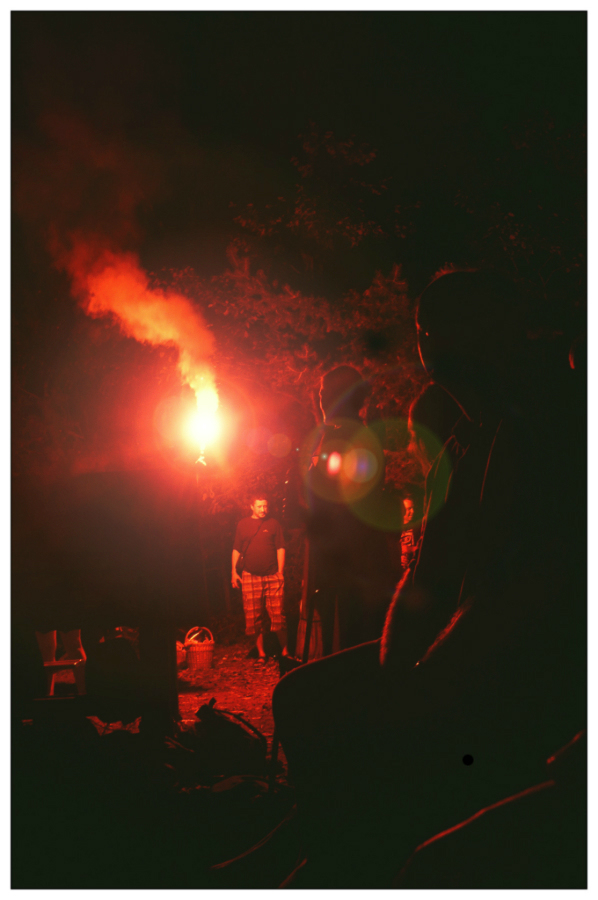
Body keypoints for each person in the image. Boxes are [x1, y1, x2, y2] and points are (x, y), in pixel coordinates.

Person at [272, 268, 585, 888]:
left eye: (446, 332)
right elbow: (429, 574)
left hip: (528, 669)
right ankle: (326, 854)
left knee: (365, 726)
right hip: (457, 644)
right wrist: (396, 665)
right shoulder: (468, 439)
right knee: (300, 696)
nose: (432, 349)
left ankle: (363, 858)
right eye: (425, 332)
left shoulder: (550, 427)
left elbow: (516, 597)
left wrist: (424, 682)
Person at [302, 366, 393, 655]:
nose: (320, 399)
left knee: (349, 645)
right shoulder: (341, 435)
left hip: (350, 566)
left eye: (325, 393)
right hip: (349, 563)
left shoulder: (349, 437)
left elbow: (336, 497)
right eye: (321, 393)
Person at [232, 495, 287, 662]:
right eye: (259, 506)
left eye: (265, 506)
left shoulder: (273, 524)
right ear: (252, 507)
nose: (263, 510)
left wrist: (280, 572)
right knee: (253, 616)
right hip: (250, 574)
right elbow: (236, 549)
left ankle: (285, 652)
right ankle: (262, 653)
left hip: (272, 575)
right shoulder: (243, 524)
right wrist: (233, 572)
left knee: (278, 615)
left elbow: (280, 548)